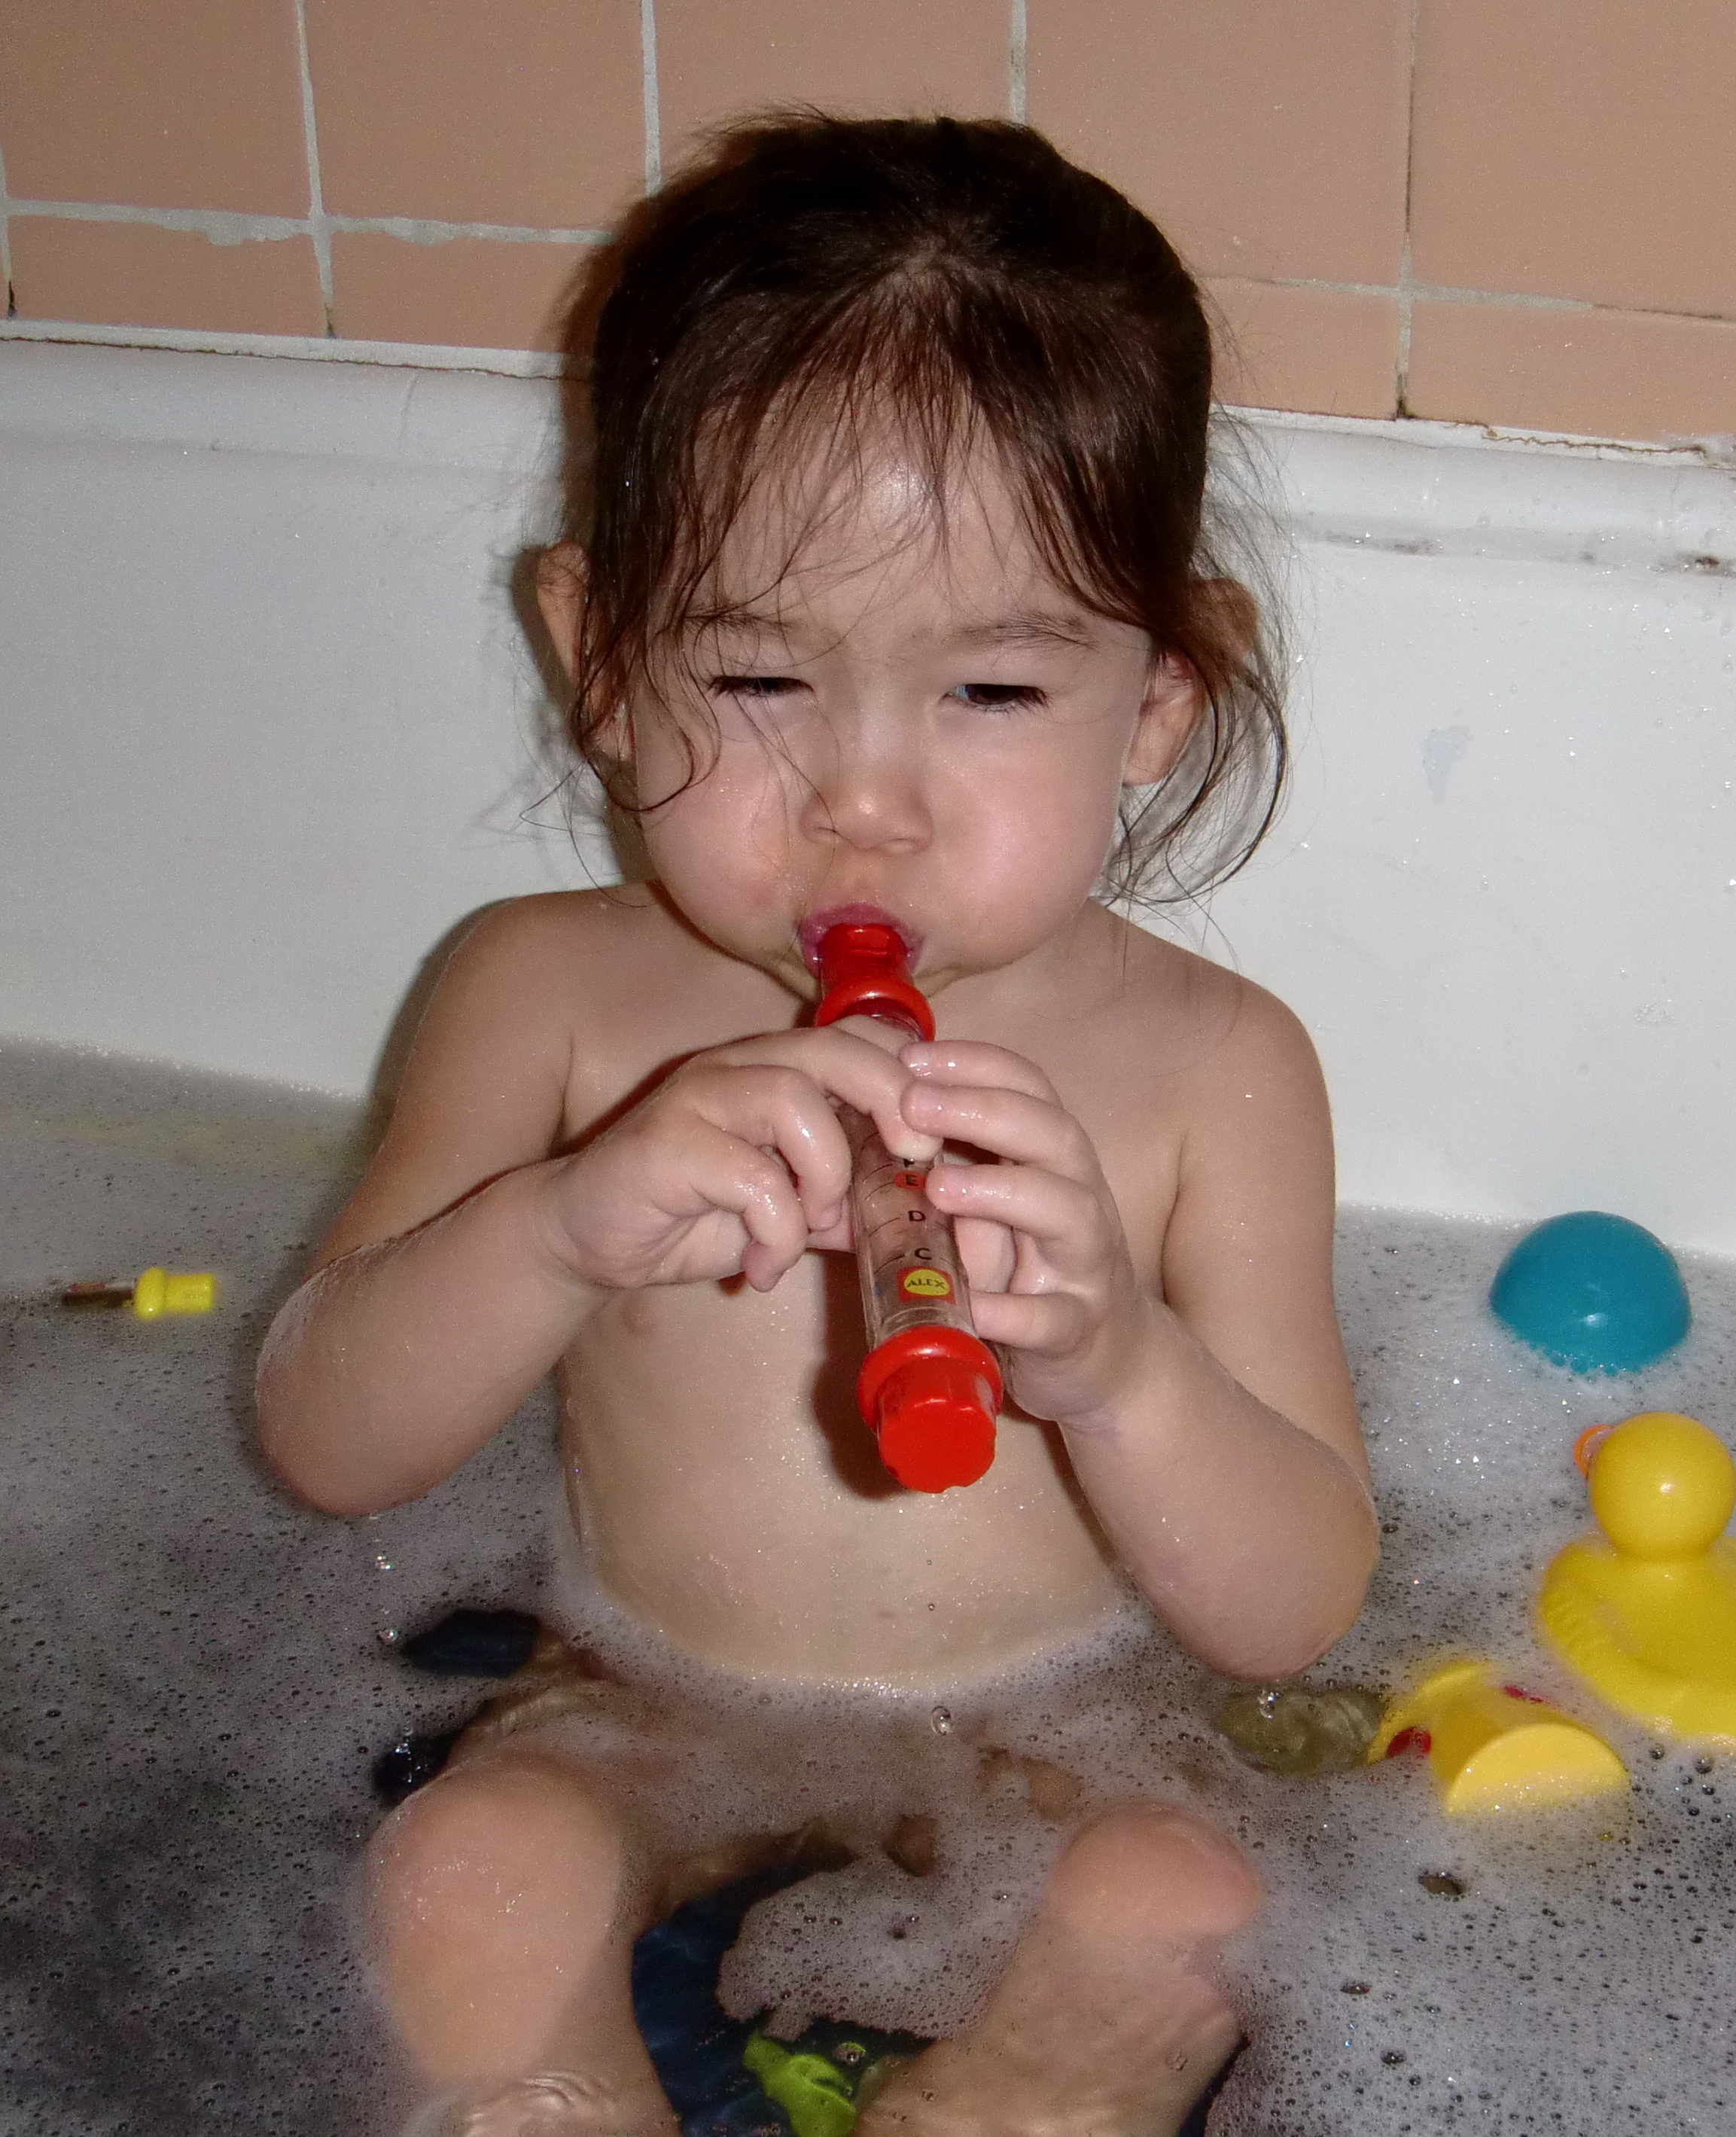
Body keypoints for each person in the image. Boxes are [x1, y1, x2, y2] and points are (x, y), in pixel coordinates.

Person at [257, 114, 1377, 2137]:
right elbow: (324, 1441)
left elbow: (1290, 1601)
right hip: (640, 1704)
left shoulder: (1217, 1067)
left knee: (1182, 1897)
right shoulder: (543, 996)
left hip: (1057, 1743)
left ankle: (1011, 2102)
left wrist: (1118, 1366)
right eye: (761, 675)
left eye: (990, 697)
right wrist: (558, 1228)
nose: (867, 797)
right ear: (596, 661)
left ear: (1156, 700)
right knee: (469, 1871)